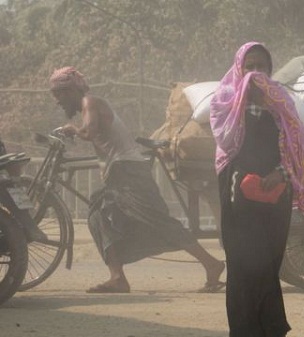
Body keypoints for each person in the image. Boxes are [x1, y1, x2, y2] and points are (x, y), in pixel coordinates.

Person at [49, 66, 225, 293]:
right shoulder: (89, 105)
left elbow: (89, 133)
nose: (58, 101)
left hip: (130, 172)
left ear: (73, 89)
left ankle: (211, 264)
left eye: (60, 94)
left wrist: (72, 129)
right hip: (119, 173)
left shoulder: (90, 102)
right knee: (97, 214)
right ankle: (117, 277)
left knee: (158, 220)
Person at [210, 42, 304, 337]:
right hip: (239, 198)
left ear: (270, 69)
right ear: (239, 68)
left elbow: (297, 148)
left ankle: (272, 328)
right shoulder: (225, 103)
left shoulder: (282, 105)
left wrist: (280, 174)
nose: (255, 73)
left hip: (276, 196)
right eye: (249, 66)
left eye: (261, 67)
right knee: (241, 265)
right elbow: (226, 144)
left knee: (267, 264)